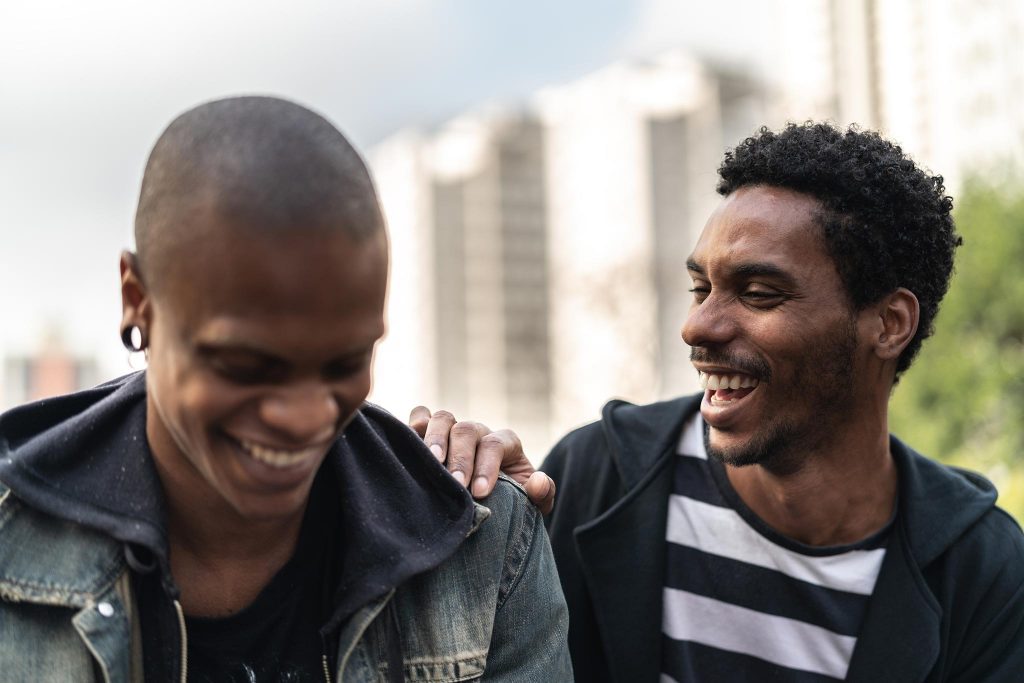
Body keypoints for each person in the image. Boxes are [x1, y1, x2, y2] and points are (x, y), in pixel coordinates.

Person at [413, 122, 1024, 682]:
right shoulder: (598, 478)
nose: (696, 327)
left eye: (758, 293)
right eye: (699, 288)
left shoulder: (984, 572)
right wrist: (481, 539)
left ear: (889, 324)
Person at [0, 96, 571, 682]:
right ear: (138, 300)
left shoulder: (483, 544)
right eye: (248, 364)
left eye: (345, 361)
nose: (302, 417)